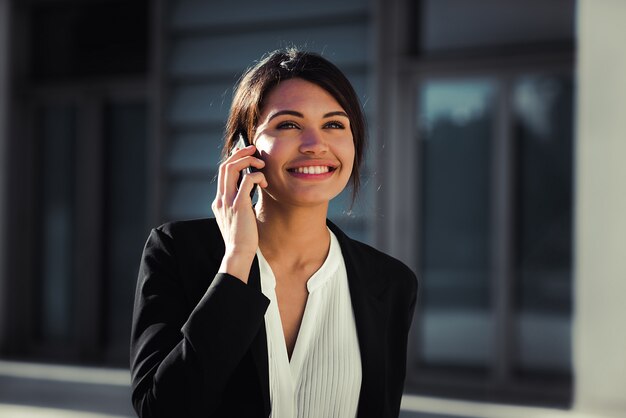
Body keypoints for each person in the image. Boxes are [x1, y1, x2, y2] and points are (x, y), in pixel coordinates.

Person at [130, 48, 417, 418]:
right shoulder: (177, 253)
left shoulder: (391, 284)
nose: (315, 144)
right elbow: (161, 410)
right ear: (243, 149)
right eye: (289, 125)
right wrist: (235, 264)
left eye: (334, 124)